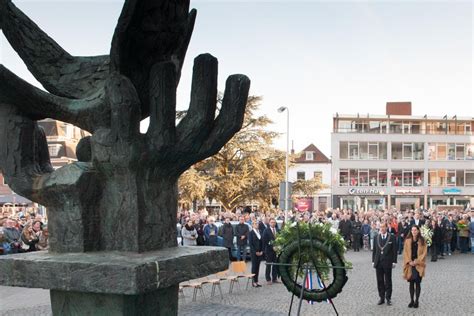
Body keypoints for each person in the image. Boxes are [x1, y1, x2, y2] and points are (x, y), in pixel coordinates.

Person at [372, 222, 397, 306]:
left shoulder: (392, 237)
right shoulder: (376, 237)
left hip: (388, 262)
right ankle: (381, 297)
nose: (382, 229)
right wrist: (373, 261)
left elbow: (394, 250)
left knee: (388, 280)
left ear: (386, 228)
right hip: (378, 262)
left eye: (383, 227)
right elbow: (375, 250)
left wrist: (394, 261)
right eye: (381, 227)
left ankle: (388, 298)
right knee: (380, 281)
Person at [402, 225, 428, 308]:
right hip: (410, 264)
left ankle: (417, 300)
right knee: (411, 283)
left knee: (417, 283)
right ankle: (411, 300)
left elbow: (424, 253)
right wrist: (409, 261)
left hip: (418, 264)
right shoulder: (407, 241)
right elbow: (405, 252)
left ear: (418, 231)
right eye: (412, 230)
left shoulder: (422, 241)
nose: (414, 232)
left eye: (415, 230)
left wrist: (416, 261)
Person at [262, 218, 279, 285]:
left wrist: (278, 247)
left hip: (276, 251)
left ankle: (274, 278)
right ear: (269, 223)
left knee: (275, 265)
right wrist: (272, 247)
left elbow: (280, 239)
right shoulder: (266, 230)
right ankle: (268, 279)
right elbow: (264, 241)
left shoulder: (277, 230)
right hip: (269, 251)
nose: (273, 223)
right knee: (268, 265)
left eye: (274, 222)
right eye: (272, 222)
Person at [248, 221, 264, 287]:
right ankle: (253, 282)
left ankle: (257, 281)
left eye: (257, 223)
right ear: (252, 225)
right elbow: (251, 244)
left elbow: (262, 242)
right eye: (254, 224)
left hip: (260, 252)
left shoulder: (260, 232)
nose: (256, 225)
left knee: (258, 267)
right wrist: (255, 252)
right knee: (254, 267)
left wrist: (262, 251)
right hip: (254, 253)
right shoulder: (251, 233)